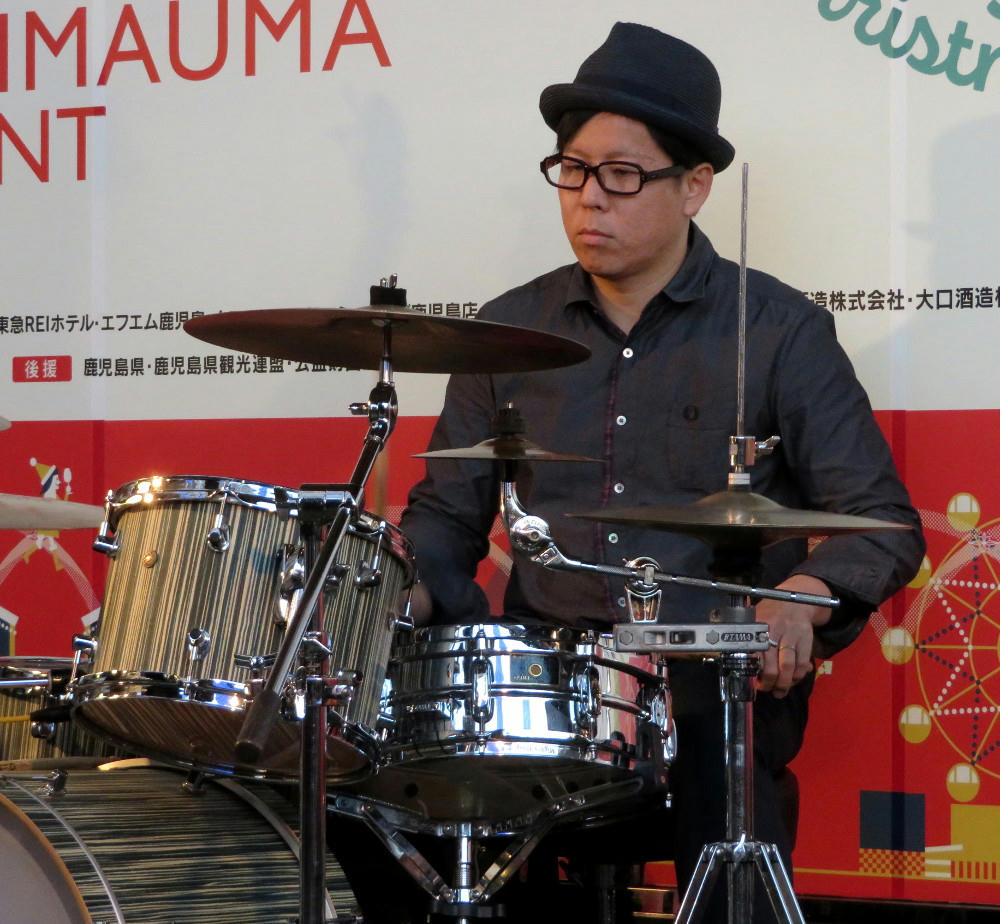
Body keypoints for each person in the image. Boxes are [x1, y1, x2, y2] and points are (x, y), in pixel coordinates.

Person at [357, 21, 925, 923]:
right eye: (573, 170)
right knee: (375, 786)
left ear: (694, 185)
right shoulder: (508, 333)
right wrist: (393, 597)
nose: (590, 198)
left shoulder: (778, 331)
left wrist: (804, 596)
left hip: (710, 690)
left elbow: (882, 518)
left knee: (727, 779)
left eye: (622, 174)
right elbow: (445, 522)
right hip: (544, 692)